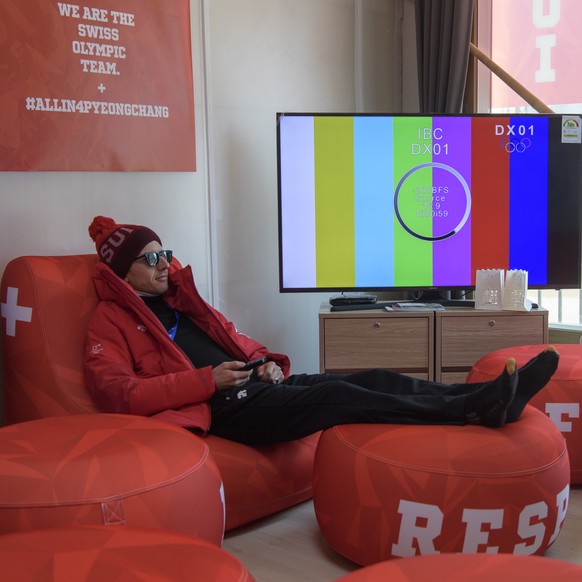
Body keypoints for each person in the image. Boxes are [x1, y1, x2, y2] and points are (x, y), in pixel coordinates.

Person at [85, 216, 560, 446]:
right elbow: (121, 395)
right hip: (218, 409)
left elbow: (233, 338)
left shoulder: (179, 302)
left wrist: (267, 362)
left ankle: (487, 396)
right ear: (122, 272)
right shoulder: (110, 320)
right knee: (343, 399)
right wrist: (209, 382)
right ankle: (472, 412)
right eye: (152, 258)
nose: (166, 264)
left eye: (167, 253)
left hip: (251, 386)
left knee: (369, 377)